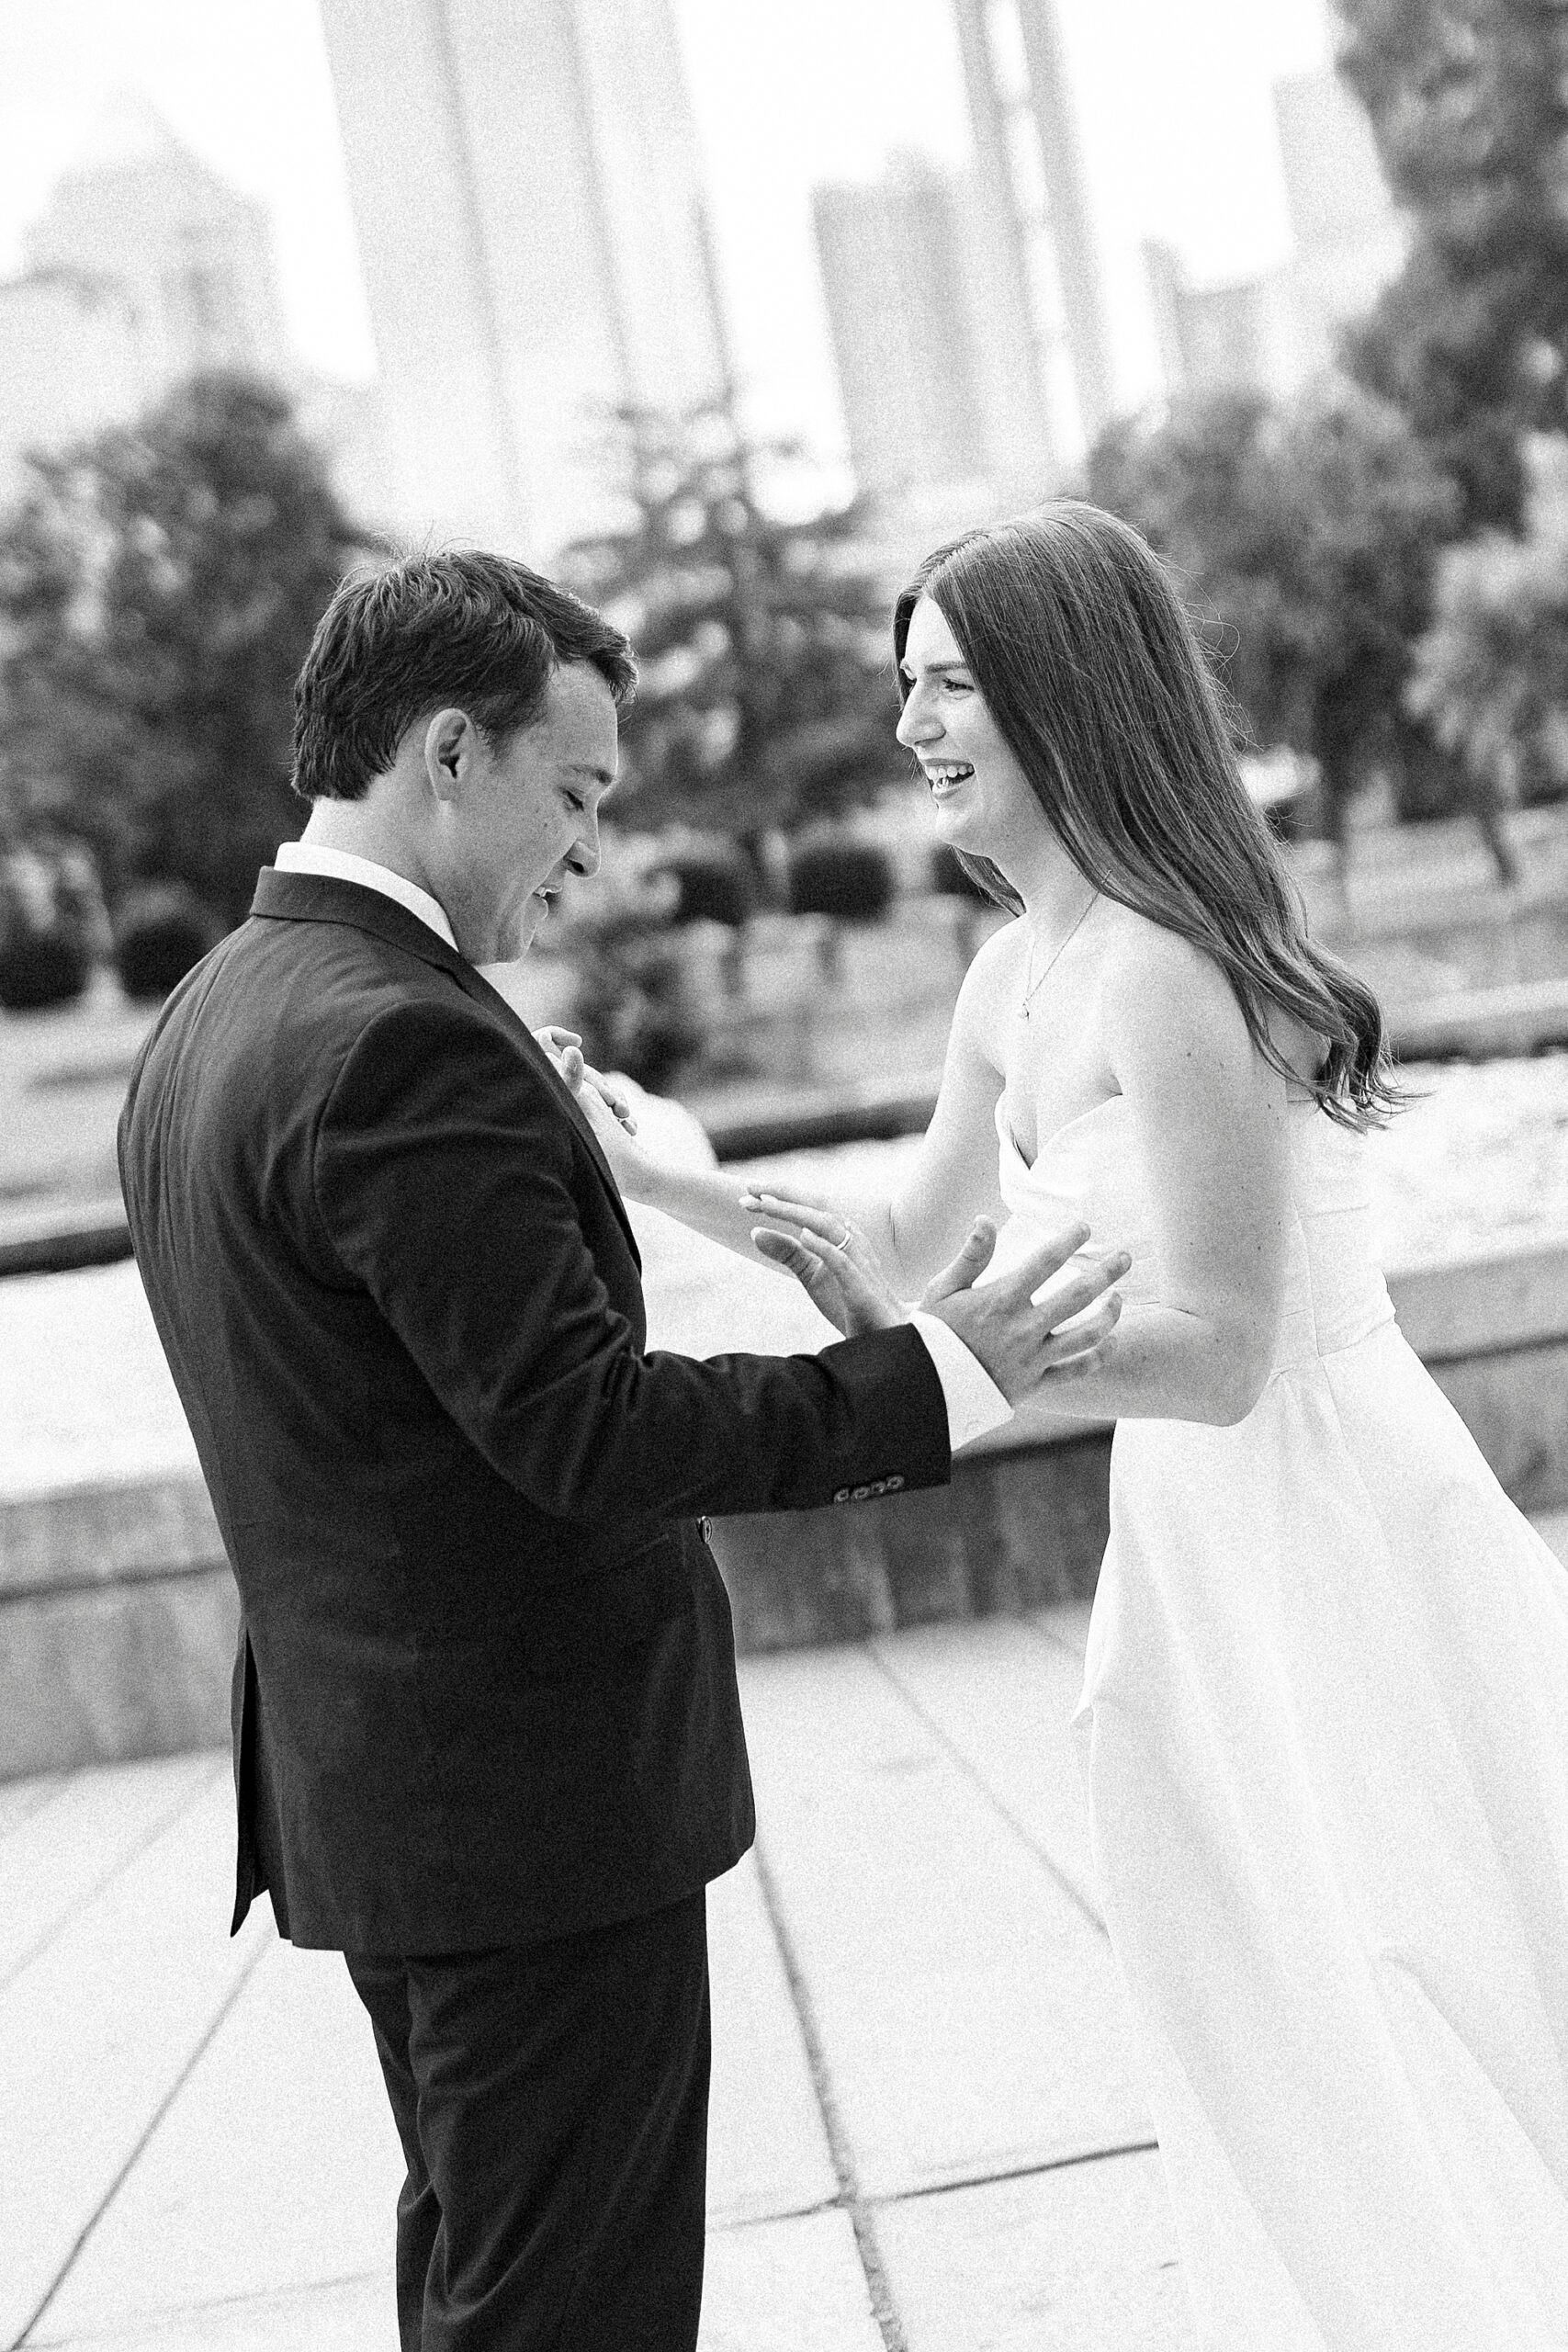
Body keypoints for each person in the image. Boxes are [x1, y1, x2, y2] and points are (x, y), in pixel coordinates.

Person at [116, 549, 1127, 2352]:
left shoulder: (216, 1016)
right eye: (570, 791)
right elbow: (584, 1424)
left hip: (396, 1803)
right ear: (446, 750)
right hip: (524, 1814)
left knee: (493, 2277)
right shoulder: (401, 1045)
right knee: (569, 2308)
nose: (582, 846)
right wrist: (934, 1372)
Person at [583, 503, 1568, 2350]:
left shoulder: (1167, 972)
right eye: (903, 687)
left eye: (947, 683)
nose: (909, 726)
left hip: (1323, 1519)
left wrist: (953, 1360)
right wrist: (640, 1169)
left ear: (1060, 696)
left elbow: (1218, 1348)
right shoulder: (1005, 976)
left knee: (1389, 1954)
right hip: (1186, 1542)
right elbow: (895, 1250)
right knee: (1248, 1977)